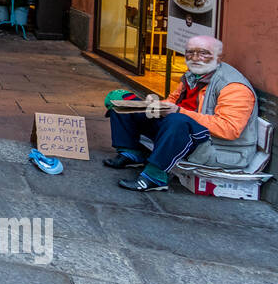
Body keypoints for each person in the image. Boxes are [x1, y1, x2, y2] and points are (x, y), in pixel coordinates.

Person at [103, 35, 259, 192]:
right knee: (122, 101)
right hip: (179, 130)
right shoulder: (193, 75)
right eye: (190, 53)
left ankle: (155, 177)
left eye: (203, 53)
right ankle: (131, 153)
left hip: (218, 148)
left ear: (218, 57)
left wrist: (179, 112)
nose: (195, 58)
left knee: (177, 120)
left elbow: (229, 129)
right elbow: (172, 102)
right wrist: (151, 105)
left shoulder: (233, 86)